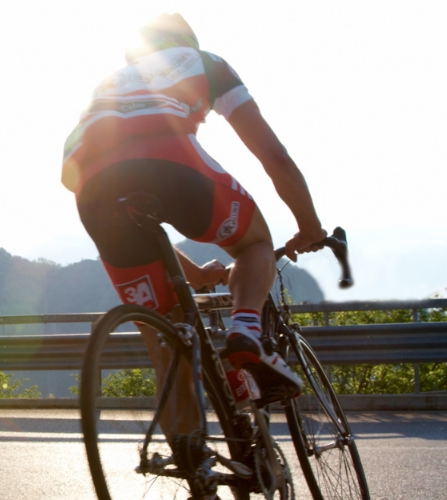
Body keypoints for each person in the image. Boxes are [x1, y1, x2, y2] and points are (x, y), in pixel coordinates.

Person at [62, 13, 327, 438]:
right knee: (255, 244)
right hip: (172, 162)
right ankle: (246, 330)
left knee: (166, 350)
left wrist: (198, 275)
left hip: (92, 191)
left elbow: (73, 176)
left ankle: (191, 463)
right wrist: (309, 225)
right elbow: (274, 156)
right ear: (186, 40)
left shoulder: (107, 85)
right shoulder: (205, 62)